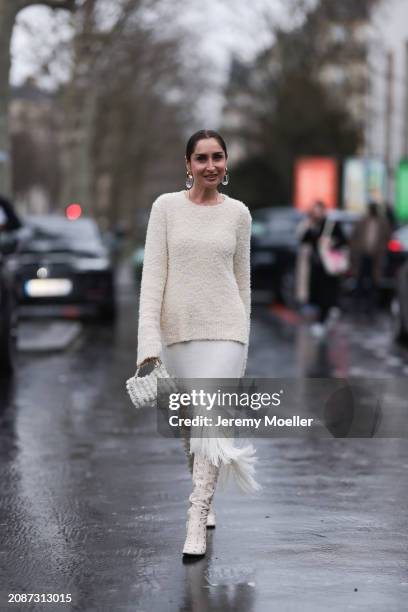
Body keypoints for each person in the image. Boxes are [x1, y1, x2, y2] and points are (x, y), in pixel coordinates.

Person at [136, 129, 260, 558]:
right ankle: (204, 496)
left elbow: (243, 281)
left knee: (210, 421)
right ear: (187, 164)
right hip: (176, 332)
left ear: (226, 164)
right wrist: (148, 340)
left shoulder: (239, 214)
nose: (211, 165)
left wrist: (242, 335)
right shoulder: (165, 209)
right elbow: (152, 278)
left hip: (225, 331)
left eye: (218, 157)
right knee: (189, 428)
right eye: (202, 158)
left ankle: (196, 517)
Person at [296, 200, 347, 337]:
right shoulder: (312, 225)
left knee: (327, 295)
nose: (316, 214)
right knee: (317, 295)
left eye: (318, 210)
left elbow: (343, 240)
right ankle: (323, 318)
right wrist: (308, 226)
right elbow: (303, 240)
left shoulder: (331, 225)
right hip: (316, 266)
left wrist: (332, 242)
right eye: (314, 211)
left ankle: (323, 320)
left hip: (329, 269)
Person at [350, 201, 392, 316]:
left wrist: (382, 249)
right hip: (362, 256)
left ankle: (371, 307)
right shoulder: (362, 221)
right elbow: (354, 237)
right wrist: (355, 250)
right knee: (359, 281)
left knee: (374, 283)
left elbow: (388, 237)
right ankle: (357, 305)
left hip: (376, 258)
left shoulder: (383, 223)